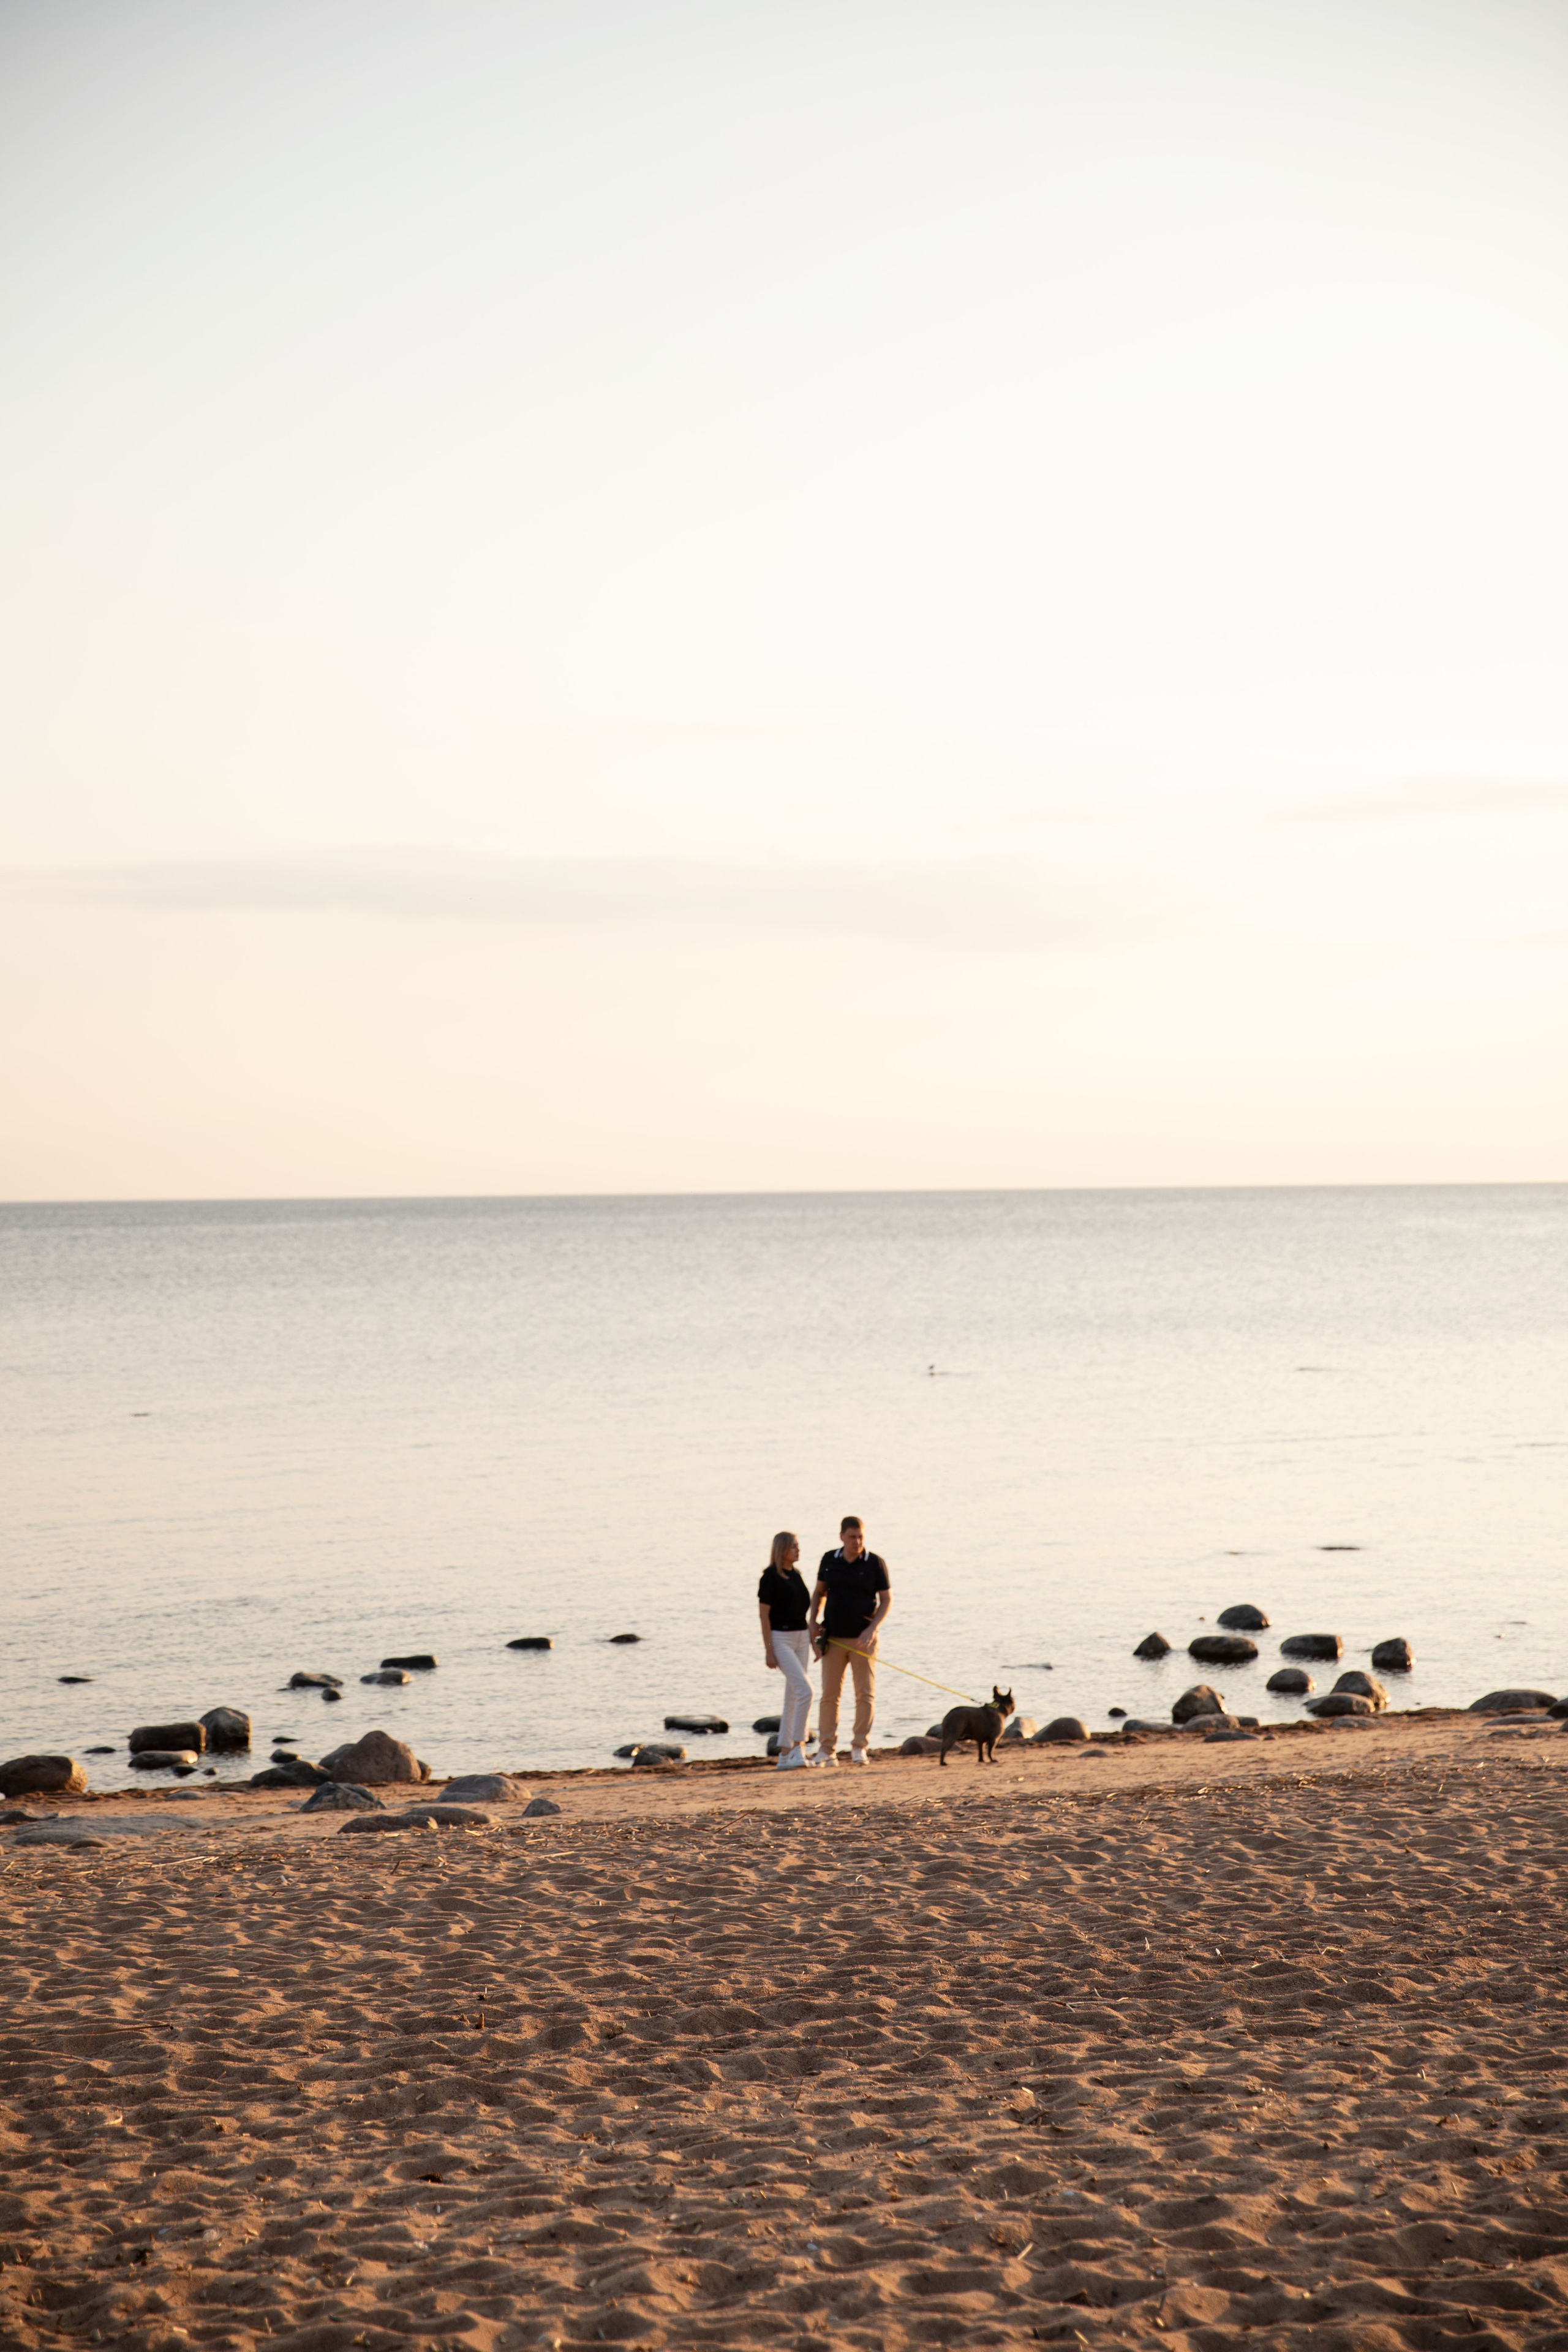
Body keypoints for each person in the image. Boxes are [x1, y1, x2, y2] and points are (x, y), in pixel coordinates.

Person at [809, 1516, 891, 1768]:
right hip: (834, 1638)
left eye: (861, 1537)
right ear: (842, 1536)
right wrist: (813, 1622)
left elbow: (886, 1600)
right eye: (852, 1537)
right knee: (829, 1696)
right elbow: (819, 1592)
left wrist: (872, 1629)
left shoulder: (875, 1563)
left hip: (863, 1640)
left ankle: (859, 1747)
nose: (857, 1542)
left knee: (865, 1694)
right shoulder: (829, 1560)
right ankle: (826, 1750)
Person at [757, 1530, 813, 1771]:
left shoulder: (797, 1575)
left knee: (793, 1695)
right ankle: (799, 1747)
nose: (798, 1550)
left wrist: (814, 1637)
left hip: (803, 1638)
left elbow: (803, 1610)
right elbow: (764, 1616)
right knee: (805, 1691)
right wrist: (769, 1651)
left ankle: (784, 1755)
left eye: (798, 1546)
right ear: (782, 1550)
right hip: (781, 1640)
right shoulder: (769, 1577)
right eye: (794, 1547)